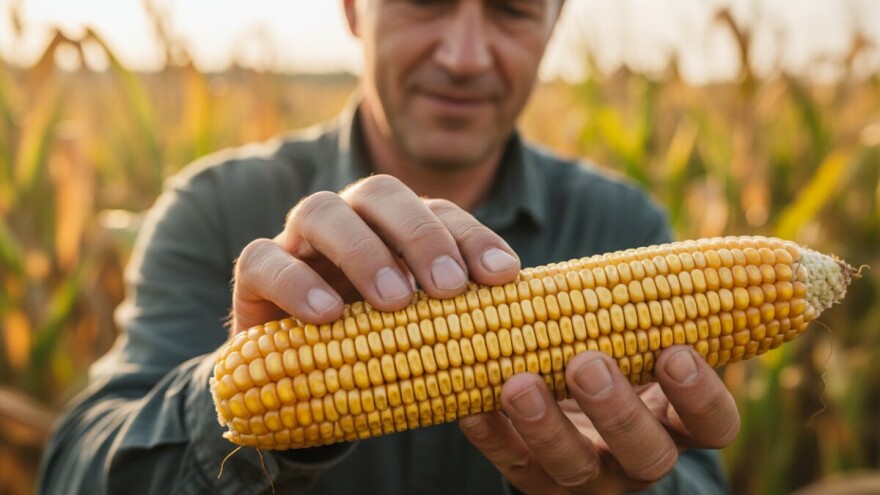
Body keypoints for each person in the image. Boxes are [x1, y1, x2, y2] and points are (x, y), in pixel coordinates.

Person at [38, 0, 741, 493]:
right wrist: (249, 396)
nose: (465, 56)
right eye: (424, 1)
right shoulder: (216, 208)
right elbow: (73, 473)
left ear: (554, 22)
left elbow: (695, 477)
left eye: (513, 8)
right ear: (353, 9)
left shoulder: (621, 220)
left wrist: (633, 489)